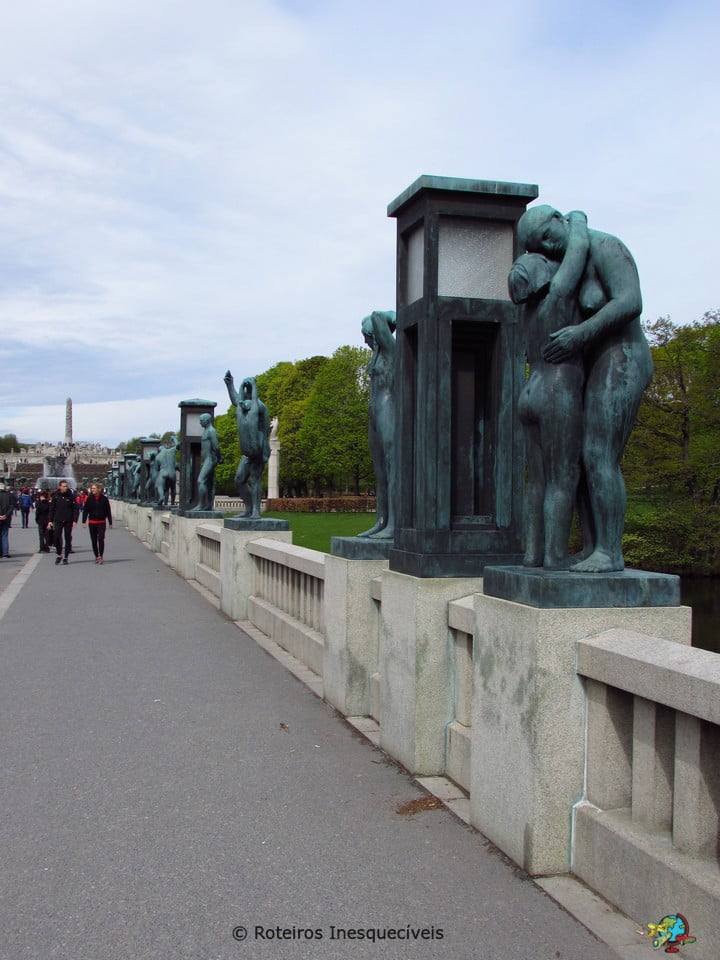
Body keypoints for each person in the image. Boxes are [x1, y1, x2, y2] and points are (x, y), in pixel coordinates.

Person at [517, 205, 653, 573]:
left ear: (560, 220)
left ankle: (610, 551)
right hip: (587, 364)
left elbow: (630, 302)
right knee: (574, 461)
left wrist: (581, 333)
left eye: (547, 235)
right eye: (538, 247)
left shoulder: (607, 247)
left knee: (597, 453)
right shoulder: (561, 270)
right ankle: (594, 545)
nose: (547, 247)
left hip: (621, 357)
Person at [508, 212, 589, 569]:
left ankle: (532, 554)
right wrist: (578, 219)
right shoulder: (556, 297)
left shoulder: (526, 314)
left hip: (530, 392)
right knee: (563, 476)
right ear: (541, 273)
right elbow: (580, 248)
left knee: (536, 481)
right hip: (558, 388)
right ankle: (555, 556)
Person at [356, 310, 397, 539]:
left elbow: (379, 317)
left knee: (392, 469)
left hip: (390, 410)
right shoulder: (376, 356)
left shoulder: (392, 350)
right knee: (380, 472)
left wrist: (383, 318)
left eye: (366, 334)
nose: (364, 340)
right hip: (375, 412)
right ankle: (381, 521)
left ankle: (394, 524)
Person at [224, 372, 270, 519]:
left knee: (255, 478)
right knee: (239, 479)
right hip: (248, 450)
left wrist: (264, 450)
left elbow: (264, 428)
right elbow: (236, 401)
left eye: (249, 387)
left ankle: (256, 511)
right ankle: (249, 508)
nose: (247, 389)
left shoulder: (260, 406)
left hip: (259, 448)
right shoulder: (246, 404)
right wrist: (230, 384)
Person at [190, 413, 222, 512]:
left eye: (201, 420)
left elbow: (216, 446)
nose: (200, 422)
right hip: (206, 459)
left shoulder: (211, 431)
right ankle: (209, 506)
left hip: (210, 459)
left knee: (201, 480)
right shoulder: (206, 431)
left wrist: (219, 457)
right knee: (210, 483)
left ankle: (202, 505)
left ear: (207, 420)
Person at [47, 480, 79, 565]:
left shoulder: (71, 496)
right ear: (60, 487)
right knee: (56, 537)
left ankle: (66, 557)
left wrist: (75, 520)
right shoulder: (56, 496)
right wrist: (50, 521)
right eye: (64, 486)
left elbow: (75, 509)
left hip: (68, 520)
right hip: (58, 519)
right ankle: (59, 554)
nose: (65, 487)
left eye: (66, 486)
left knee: (67, 538)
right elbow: (52, 509)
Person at [82, 482, 112, 564]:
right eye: (92, 489)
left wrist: (110, 522)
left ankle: (101, 556)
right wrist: (83, 521)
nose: (92, 490)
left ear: (99, 489)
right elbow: (85, 510)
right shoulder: (89, 499)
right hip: (92, 522)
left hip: (101, 522)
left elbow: (108, 511)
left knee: (101, 539)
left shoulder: (104, 499)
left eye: (94, 488)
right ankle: (96, 556)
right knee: (94, 540)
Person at [0, 482, 12, 558]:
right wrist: (6, 515)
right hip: (6, 518)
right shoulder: (8, 495)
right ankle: (5, 553)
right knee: (4, 535)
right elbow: (11, 506)